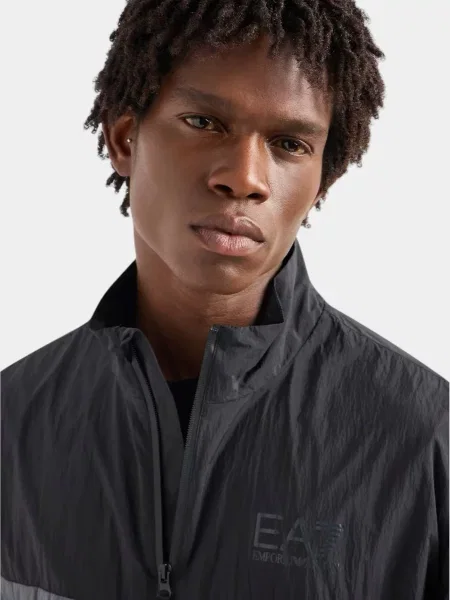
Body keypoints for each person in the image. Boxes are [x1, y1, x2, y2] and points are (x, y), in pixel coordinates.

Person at [1, 0, 448, 598]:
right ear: (124, 139)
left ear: (324, 178)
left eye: (289, 143)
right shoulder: (11, 423)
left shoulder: (423, 436)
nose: (244, 177)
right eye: (204, 122)